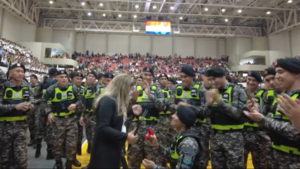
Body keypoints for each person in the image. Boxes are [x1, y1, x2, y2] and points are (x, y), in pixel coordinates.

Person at [244, 58, 300, 169]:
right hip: (275, 156)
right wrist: (257, 115)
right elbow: (269, 125)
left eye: (281, 72)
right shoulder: (281, 97)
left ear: (296, 73)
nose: (277, 76)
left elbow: (294, 133)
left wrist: (263, 119)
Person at [88, 74, 139, 168]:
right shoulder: (108, 101)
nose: (130, 91)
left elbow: (115, 116)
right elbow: (102, 128)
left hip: (113, 146)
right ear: (122, 87)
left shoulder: (115, 101)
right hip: (105, 150)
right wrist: (126, 136)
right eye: (129, 88)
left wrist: (131, 110)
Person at [41, 70, 84, 169]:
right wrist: (48, 113)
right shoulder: (51, 89)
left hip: (71, 119)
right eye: (61, 77)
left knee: (72, 144)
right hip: (57, 121)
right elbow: (43, 101)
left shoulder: (73, 88)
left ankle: (69, 163)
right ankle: (58, 163)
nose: (64, 79)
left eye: (65, 77)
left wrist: (76, 105)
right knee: (57, 145)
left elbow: (80, 101)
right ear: (57, 78)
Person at [0, 63, 34, 169]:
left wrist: (29, 106)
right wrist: (15, 107)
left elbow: (33, 101)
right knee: (4, 159)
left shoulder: (26, 86)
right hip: (5, 127)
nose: (20, 74)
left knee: (21, 160)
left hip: (21, 127)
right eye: (17, 71)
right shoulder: (3, 86)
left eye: (22, 71)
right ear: (10, 72)